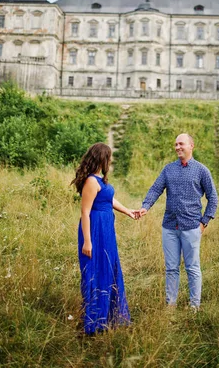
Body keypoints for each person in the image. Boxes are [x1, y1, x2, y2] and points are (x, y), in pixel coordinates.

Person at [138, 133, 218, 309]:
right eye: (175, 145)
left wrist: (204, 222)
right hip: (170, 227)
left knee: (192, 268)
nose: (177, 147)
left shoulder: (201, 170)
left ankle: (194, 307)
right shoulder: (168, 169)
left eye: (181, 144)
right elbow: (155, 189)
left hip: (191, 227)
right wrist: (146, 206)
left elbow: (213, 198)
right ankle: (170, 306)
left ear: (191, 146)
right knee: (171, 268)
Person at [71, 142, 135, 335]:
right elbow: (85, 211)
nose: (111, 161)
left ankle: (109, 317)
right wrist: (88, 241)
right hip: (95, 229)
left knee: (109, 267)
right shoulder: (91, 181)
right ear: (102, 158)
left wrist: (128, 211)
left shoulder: (100, 179)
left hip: (106, 230)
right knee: (96, 270)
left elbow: (109, 200)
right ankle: (94, 322)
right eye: (109, 157)